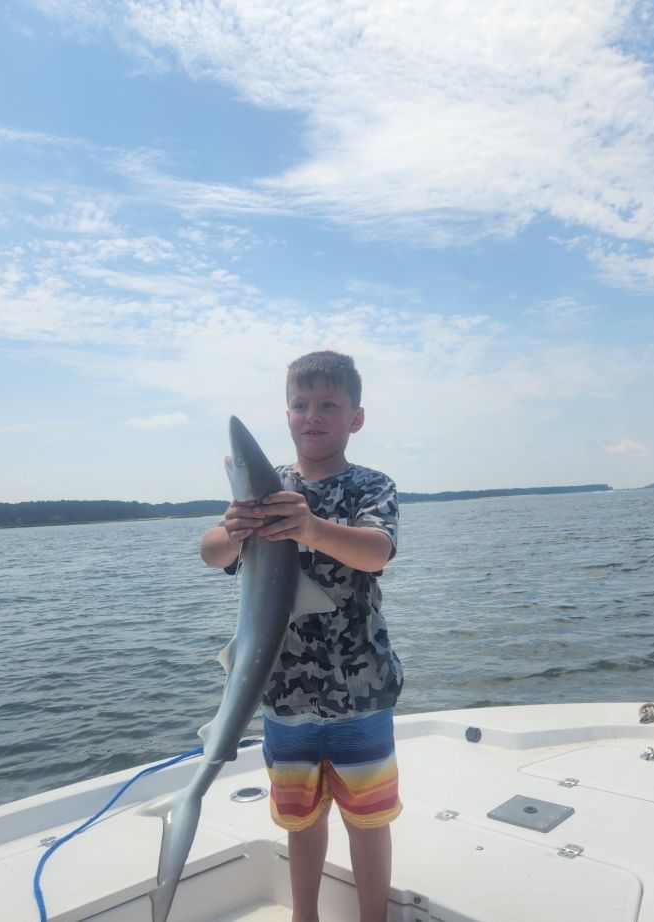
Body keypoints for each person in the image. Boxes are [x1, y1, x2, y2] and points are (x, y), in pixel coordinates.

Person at [200, 350, 403, 922]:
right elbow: (210, 553)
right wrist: (234, 529)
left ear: (354, 419)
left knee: (368, 822)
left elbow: (376, 550)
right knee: (301, 821)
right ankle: (303, 916)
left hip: (361, 692)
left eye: (328, 405)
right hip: (284, 697)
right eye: (300, 404)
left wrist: (310, 527)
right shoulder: (261, 495)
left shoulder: (371, 486)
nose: (312, 415)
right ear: (286, 415)